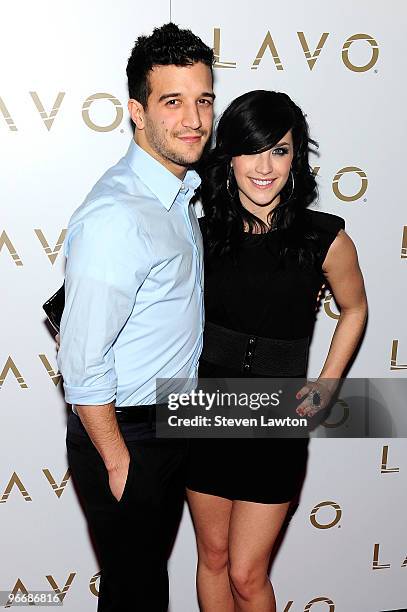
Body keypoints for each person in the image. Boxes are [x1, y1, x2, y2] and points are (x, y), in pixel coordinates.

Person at [186, 90, 368, 612]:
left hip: (275, 419)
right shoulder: (198, 236)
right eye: (251, 150)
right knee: (214, 557)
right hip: (204, 410)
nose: (265, 167)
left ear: (296, 158)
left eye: (281, 151)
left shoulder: (323, 238)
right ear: (229, 158)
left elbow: (354, 309)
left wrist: (327, 385)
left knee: (247, 574)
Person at [57, 23, 214, 612]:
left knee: (146, 579)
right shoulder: (116, 215)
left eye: (202, 99)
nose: (193, 119)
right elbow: (81, 360)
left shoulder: (175, 193)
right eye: (171, 102)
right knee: (135, 591)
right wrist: (119, 459)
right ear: (137, 112)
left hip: (175, 415)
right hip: (127, 433)